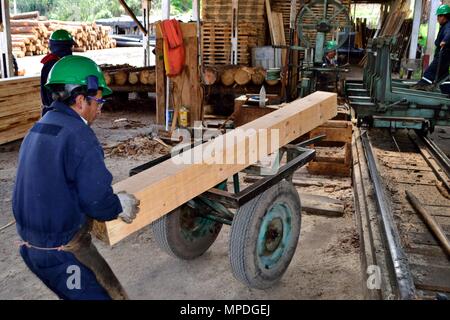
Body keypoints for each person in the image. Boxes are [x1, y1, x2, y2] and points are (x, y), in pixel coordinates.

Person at [12, 55, 140, 300]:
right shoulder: (79, 136)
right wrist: (118, 205)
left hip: (30, 249)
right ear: (81, 100)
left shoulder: (38, 127)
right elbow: (97, 202)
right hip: (61, 252)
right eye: (98, 101)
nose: (100, 109)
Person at [412, 4, 450, 92]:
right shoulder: (445, 25)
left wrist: (445, 41)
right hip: (445, 55)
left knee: (431, 71)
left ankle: (422, 85)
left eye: (439, 16)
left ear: (445, 16)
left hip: (444, 54)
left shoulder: (448, 26)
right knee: (443, 76)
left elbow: (449, 33)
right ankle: (447, 92)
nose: (437, 18)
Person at [40, 29, 75, 116]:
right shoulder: (53, 64)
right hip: (56, 110)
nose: (71, 49)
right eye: (70, 47)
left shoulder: (57, 62)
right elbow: (55, 93)